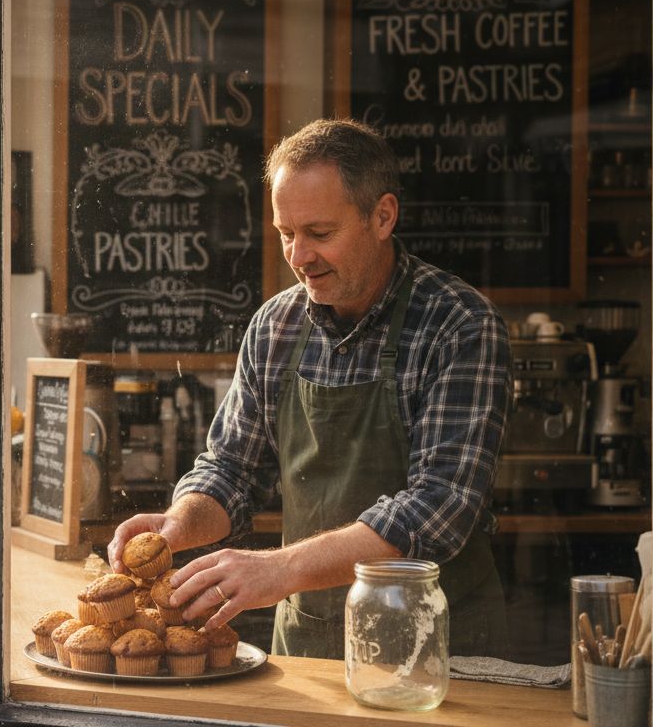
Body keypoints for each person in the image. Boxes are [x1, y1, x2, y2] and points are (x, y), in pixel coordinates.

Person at [108, 119, 512, 659]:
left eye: (320, 234)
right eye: (285, 234)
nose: (298, 257)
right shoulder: (275, 327)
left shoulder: (458, 325)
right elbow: (231, 470)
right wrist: (177, 525)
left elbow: (438, 509)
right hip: (311, 646)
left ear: (383, 216)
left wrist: (281, 568)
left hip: (438, 651)